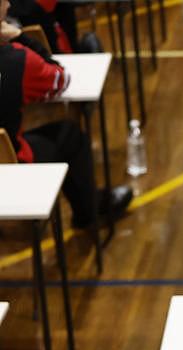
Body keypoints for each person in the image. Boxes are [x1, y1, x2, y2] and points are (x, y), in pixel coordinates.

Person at [0, 7, 131, 230]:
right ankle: (88, 213)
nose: (10, 4)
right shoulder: (17, 61)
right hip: (9, 172)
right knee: (70, 136)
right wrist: (20, 37)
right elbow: (61, 79)